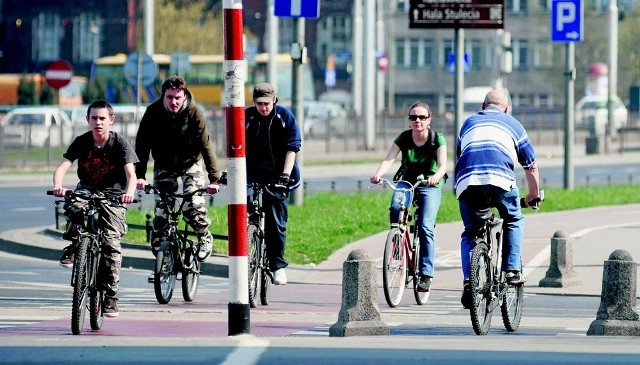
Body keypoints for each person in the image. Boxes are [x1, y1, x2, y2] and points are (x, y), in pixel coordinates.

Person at [455, 89, 541, 309]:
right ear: (506, 108)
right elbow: (530, 167)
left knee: (470, 233)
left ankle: (469, 282)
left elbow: (461, 154)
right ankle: (512, 269)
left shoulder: (468, 123)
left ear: (483, 106)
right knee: (514, 219)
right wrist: (533, 195)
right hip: (500, 181)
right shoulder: (513, 123)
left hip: (467, 182)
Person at [52, 99, 139, 318]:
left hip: (114, 195)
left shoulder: (120, 143)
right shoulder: (82, 141)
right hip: (87, 189)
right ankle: (74, 247)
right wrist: (58, 185)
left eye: (102, 118)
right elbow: (63, 166)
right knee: (74, 205)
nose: (98, 122)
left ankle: (110, 297)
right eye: (94, 118)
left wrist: (129, 192)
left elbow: (131, 174)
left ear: (111, 119)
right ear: (87, 120)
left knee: (111, 244)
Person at [135, 76, 221, 263]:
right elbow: (141, 146)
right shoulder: (153, 113)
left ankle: (204, 236)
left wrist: (214, 179)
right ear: (163, 96)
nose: (173, 102)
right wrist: (139, 176)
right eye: (169, 97)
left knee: (192, 204)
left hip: (190, 162)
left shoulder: (194, 113)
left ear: (184, 96)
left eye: (177, 97)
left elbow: (206, 145)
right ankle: (162, 263)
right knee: (162, 213)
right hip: (164, 164)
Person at [370, 102, 448, 292]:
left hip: (430, 184)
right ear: (409, 120)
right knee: (396, 207)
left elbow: (443, 164)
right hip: (408, 181)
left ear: (429, 120)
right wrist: (378, 174)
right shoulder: (404, 137)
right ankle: (397, 245)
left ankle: (426, 275)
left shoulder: (437, 138)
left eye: (422, 117)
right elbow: (390, 158)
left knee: (425, 226)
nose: (417, 121)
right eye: (413, 117)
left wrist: (435, 177)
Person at [245, 82, 301, 285]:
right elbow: (236, 148)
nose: (263, 108)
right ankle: (248, 243)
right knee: (243, 203)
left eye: (267, 103)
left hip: (279, 173)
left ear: (274, 100)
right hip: (251, 171)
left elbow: (292, 148)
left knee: (276, 220)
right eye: (259, 103)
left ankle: (277, 266)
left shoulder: (284, 117)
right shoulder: (247, 117)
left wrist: (285, 175)